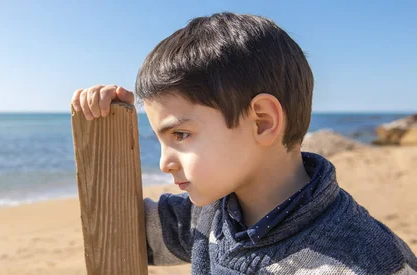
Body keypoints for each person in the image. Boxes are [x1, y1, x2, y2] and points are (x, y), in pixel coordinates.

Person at [71, 12, 417, 274]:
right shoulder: (207, 217)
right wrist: (102, 127)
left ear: (262, 121)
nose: (165, 163)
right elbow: (120, 229)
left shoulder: (370, 262)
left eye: (180, 135)